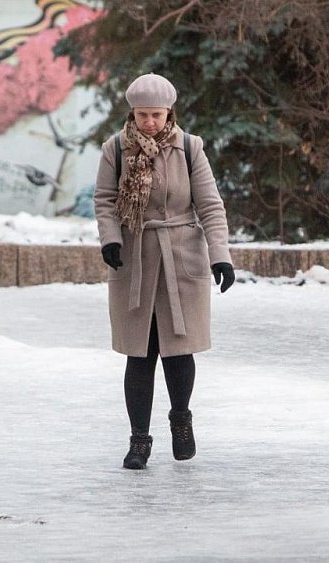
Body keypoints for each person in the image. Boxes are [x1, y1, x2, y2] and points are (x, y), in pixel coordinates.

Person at [94, 73, 235, 470]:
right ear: (132, 113)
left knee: (178, 350)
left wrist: (219, 255)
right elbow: (104, 199)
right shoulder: (116, 149)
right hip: (133, 259)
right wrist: (110, 239)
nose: (149, 122)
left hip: (181, 258)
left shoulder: (190, 148)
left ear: (169, 112)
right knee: (139, 354)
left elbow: (210, 205)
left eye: (156, 114)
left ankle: (181, 420)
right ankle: (139, 440)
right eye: (142, 115)